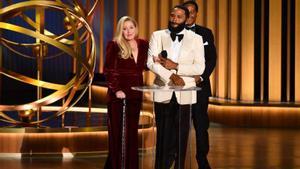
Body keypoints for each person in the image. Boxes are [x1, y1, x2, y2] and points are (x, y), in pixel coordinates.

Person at [147, 5, 205, 169]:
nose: (174, 19)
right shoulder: (157, 35)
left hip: (185, 93)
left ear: (186, 19)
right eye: (172, 15)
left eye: (179, 17)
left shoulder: (196, 39)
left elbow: (199, 68)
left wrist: (176, 66)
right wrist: (171, 75)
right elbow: (151, 63)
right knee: (163, 137)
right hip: (162, 91)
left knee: (181, 137)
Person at [104, 16, 149, 169]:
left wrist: (158, 60)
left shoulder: (143, 44)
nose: (128, 31)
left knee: (131, 134)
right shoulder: (114, 45)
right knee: (118, 135)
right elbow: (109, 70)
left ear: (136, 28)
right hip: (119, 96)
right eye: (124, 28)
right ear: (120, 30)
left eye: (131, 27)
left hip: (136, 94)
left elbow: (145, 66)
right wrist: (116, 90)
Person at [182, 1, 217, 169]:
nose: (189, 15)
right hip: (180, 88)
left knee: (201, 126)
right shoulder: (171, 33)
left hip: (200, 88)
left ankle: (202, 159)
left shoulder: (206, 33)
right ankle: (177, 159)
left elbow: (212, 59)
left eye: (192, 12)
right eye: (186, 12)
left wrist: (201, 77)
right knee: (179, 126)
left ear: (196, 14)